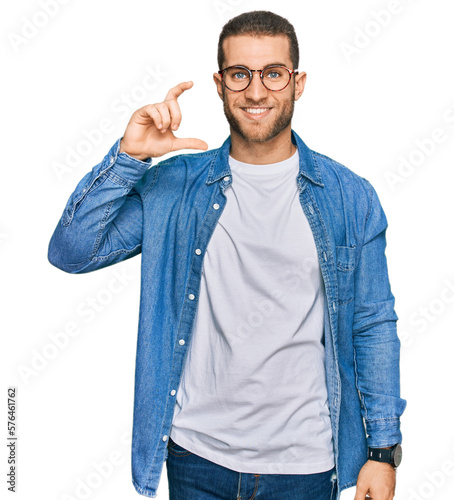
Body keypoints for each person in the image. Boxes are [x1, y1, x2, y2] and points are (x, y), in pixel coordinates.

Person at [48, 10, 406, 500]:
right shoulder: (175, 185)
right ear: (220, 84)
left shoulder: (349, 197)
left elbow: (373, 322)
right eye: (240, 74)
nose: (256, 93)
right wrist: (129, 158)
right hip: (196, 458)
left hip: (303, 465)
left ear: (298, 83)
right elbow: (71, 252)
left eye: (273, 74)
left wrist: (382, 451)